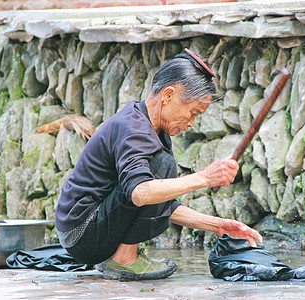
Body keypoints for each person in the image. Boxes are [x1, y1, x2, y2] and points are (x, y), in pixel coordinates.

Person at [55, 49, 263, 281]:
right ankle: (125, 260)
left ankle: (122, 256)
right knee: (163, 165)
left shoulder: (150, 128)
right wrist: (204, 177)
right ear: (167, 95)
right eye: (193, 112)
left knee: (162, 171)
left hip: (83, 232)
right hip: (82, 232)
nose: (192, 123)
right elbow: (141, 193)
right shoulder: (134, 129)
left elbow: (162, 204)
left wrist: (218, 225)